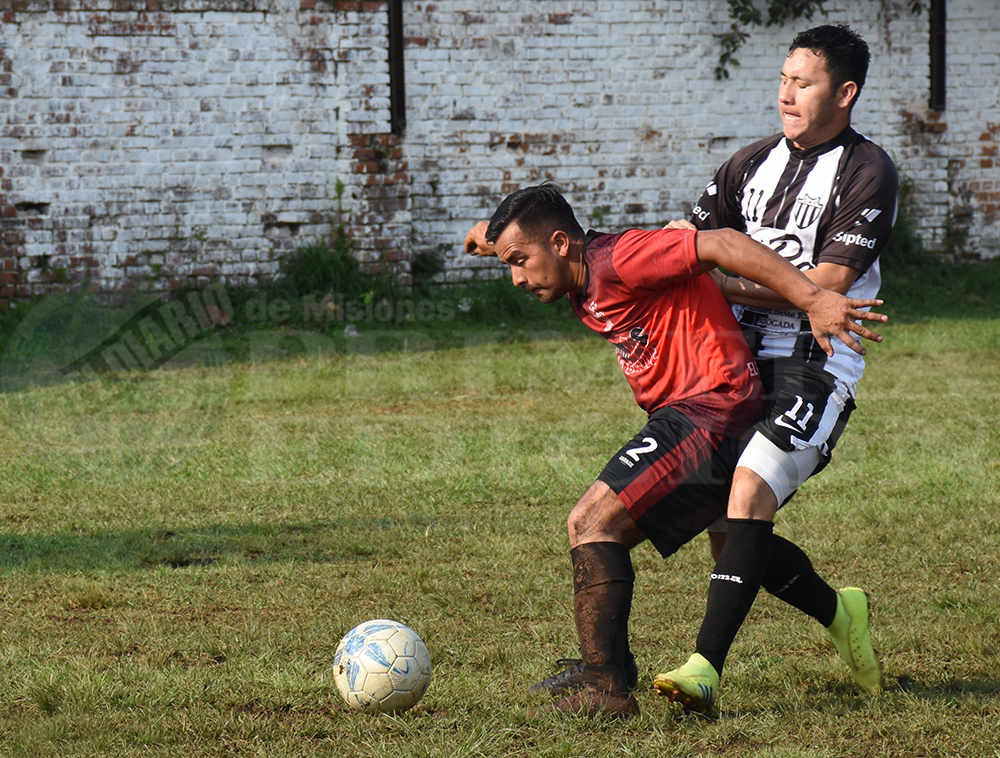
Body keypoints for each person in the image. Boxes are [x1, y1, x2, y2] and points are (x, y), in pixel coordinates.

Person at [466, 182, 885, 718]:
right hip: (693, 414)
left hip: (711, 409)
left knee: (590, 523)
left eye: (521, 261)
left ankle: (605, 685)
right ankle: (839, 610)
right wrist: (486, 239)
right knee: (735, 542)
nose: (517, 277)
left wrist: (813, 298)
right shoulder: (569, 267)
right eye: (509, 264)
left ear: (561, 243)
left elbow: (723, 244)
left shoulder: (620, 259)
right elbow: (506, 233)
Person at [652, 24, 898, 715]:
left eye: (805, 82)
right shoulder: (747, 164)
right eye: (784, 79)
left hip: (815, 364)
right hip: (728, 363)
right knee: (726, 526)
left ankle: (704, 669)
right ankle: (839, 611)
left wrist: (723, 280)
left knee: (750, 489)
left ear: (845, 93)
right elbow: (684, 243)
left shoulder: (867, 170)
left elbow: (826, 286)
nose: (787, 94)